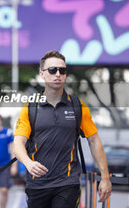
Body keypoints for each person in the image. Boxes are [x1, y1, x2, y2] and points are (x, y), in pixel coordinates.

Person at [13, 50, 112, 208]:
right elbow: (18, 143)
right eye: (52, 70)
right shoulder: (30, 108)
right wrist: (28, 163)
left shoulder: (78, 106)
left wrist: (105, 178)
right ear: (42, 74)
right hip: (37, 183)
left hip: (67, 182)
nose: (58, 74)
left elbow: (94, 142)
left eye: (62, 70)